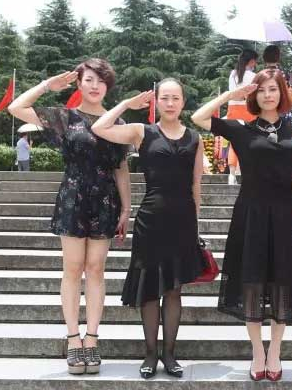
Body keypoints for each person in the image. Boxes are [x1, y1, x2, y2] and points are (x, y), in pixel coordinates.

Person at [7, 59, 131, 375]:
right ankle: (73, 338)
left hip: (105, 199)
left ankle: (92, 338)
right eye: (89, 79)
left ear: (108, 85)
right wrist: (47, 86)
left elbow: (121, 167)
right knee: (73, 268)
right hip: (73, 197)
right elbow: (16, 107)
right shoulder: (64, 117)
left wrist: (126, 208)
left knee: (97, 269)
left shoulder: (116, 120)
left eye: (100, 80)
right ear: (79, 83)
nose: (94, 85)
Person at [192, 68, 292, 382]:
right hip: (251, 213)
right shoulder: (242, 129)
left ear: (282, 93)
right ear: (254, 95)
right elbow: (198, 117)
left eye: (273, 89)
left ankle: (275, 351)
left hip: (285, 213)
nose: (268, 95)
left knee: (283, 281)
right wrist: (231, 95)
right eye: (262, 90)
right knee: (252, 282)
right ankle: (258, 351)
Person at [91, 78, 205, 379]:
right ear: (156, 101)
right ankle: (151, 354)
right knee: (151, 290)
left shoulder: (195, 138)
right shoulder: (142, 132)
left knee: (174, 289)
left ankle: (170, 354)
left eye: (175, 98)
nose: (170, 103)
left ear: (183, 102)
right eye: (164, 97)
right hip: (151, 220)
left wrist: (195, 224)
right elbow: (100, 128)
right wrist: (126, 104)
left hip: (182, 221)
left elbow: (196, 185)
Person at [227, 49, 258, 184]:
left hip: (233, 108)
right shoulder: (253, 76)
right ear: (251, 61)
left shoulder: (233, 74)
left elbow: (231, 93)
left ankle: (232, 174)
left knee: (234, 142)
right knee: (250, 142)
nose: (255, 64)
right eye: (255, 61)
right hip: (247, 109)